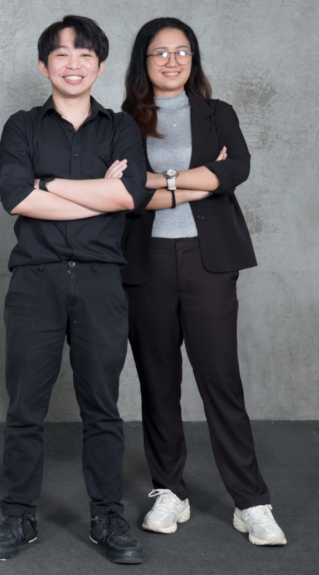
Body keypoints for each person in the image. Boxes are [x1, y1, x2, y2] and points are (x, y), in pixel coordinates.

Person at [0, 15, 149, 565]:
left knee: (102, 406)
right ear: (43, 65)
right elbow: (15, 198)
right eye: (61, 55)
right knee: (24, 408)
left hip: (102, 282)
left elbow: (130, 197)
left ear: (100, 66)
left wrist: (47, 183)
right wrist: (98, 189)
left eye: (85, 56)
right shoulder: (22, 126)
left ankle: (107, 517)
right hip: (37, 280)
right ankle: (18, 517)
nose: (73, 64)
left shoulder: (122, 127)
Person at [120, 17, 286, 546]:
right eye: (160, 52)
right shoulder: (122, 119)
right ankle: (170, 490)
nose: (172, 61)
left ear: (194, 59)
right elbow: (125, 188)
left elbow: (236, 169)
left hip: (208, 260)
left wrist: (162, 180)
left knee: (221, 382)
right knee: (158, 381)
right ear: (142, 62)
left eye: (182, 51)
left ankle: (251, 501)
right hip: (143, 262)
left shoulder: (218, 114)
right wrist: (196, 182)